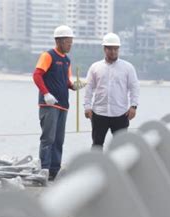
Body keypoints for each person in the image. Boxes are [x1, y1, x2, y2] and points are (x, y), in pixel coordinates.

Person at [33, 25, 86, 181]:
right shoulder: (48, 56)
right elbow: (37, 75)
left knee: (59, 140)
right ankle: (44, 169)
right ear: (60, 41)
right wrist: (46, 93)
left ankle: (54, 171)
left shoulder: (66, 60)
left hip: (63, 105)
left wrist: (73, 86)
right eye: (68, 42)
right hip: (49, 105)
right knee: (48, 138)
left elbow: (65, 82)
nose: (70, 45)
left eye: (71, 42)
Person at [83, 33, 140, 150]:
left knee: (120, 147)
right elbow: (88, 88)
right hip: (99, 113)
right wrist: (87, 107)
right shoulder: (95, 67)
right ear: (104, 49)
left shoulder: (128, 67)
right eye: (110, 49)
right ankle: (96, 167)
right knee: (97, 144)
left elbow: (134, 87)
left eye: (116, 49)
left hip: (120, 113)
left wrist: (133, 106)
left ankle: (119, 168)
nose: (113, 52)